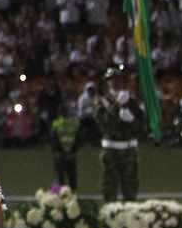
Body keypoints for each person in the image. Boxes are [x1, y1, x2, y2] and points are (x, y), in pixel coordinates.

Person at [92, 66, 145, 201]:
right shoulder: (101, 102)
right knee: (110, 188)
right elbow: (106, 125)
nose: (116, 83)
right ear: (107, 82)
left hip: (129, 149)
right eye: (112, 80)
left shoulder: (131, 102)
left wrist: (132, 120)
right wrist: (116, 106)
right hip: (111, 150)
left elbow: (141, 128)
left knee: (131, 188)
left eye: (118, 79)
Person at [52, 114, 81, 191]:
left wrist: (61, 152)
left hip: (60, 156)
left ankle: (61, 195)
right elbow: (78, 139)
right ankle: (73, 194)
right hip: (70, 155)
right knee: (72, 177)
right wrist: (73, 152)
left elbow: (54, 141)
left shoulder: (56, 125)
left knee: (60, 177)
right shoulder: (74, 125)